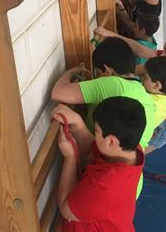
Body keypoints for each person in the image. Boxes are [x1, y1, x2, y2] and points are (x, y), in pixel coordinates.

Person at [93, 28, 166, 152]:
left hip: (162, 125)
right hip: (152, 112)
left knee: (131, 151)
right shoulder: (164, 61)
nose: (161, 54)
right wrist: (110, 34)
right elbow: (138, 48)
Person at [52, 97, 146, 231]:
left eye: (96, 131)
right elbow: (94, 148)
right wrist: (78, 122)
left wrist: (70, 157)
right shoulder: (132, 149)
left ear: (112, 142)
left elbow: (65, 208)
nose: (94, 135)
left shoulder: (104, 186)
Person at [51, 37, 155, 152]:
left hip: (106, 162)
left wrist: (70, 72)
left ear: (107, 70)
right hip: (131, 166)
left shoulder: (113, 84)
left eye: (98, 73)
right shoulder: (143, 94)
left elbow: (58, 92)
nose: (98, 78)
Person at [139, 57, 166, 156]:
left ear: (156, 85)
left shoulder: (150, 103)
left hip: (163, 131)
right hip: (165, 126)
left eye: (144, 77)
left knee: (139, 152)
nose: (141, 79)